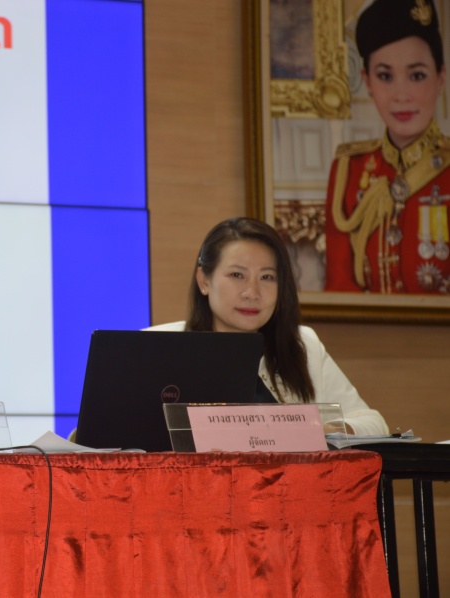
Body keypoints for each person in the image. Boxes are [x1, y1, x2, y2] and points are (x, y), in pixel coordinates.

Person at [151, 217, 389, 436]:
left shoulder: (303, 345)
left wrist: (320, 430)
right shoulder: (158, 347)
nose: (252, 293)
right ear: (204, 280)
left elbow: (374, 423)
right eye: (237, 275)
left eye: (267, 277)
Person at [325, 0, 450, 293]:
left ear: (440, 78)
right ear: (367, 81)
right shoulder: (348, 170)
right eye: (385, 76)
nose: (401, 95)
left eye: (417, 75)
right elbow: (341, 292)